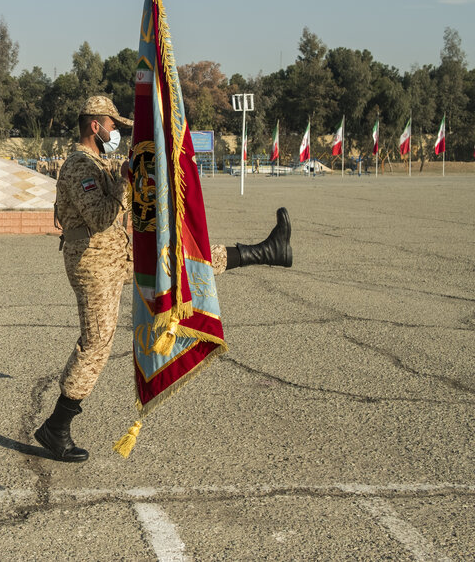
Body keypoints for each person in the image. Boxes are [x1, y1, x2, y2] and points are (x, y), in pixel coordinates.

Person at [35, 96, 292, 463]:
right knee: (96, 345)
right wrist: (124, 183)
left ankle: (266, 252)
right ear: (96, 126)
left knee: (182, 263)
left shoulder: (92, 161)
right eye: (112, 126)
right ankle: (56, 428)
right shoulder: (79, 165)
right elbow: (100, 218)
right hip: (94, 264)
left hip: (114, 255)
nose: (115, 132)